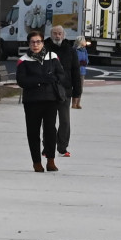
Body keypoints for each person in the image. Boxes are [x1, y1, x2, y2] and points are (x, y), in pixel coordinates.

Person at [16, 29, 67, 173]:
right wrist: (41, 80)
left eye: (38, 41)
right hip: (32, 101)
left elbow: (61, 75)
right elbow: (22, 81)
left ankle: (51, 160)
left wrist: (53, 79)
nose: (35, 45)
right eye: (32, 42)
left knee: (50, 130)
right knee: (33, 132)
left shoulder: (52, 57)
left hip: (50, 100)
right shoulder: (24, 60)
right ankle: (36, 162)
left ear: (42, 42)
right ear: (29, 44)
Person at [45, 25, 77, 156]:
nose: (57, 36)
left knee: (65, 121)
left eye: (59, 33)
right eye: (54, 33)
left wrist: (77, 93)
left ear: (63, 35)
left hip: (65, 90)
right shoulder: (44, 48)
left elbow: (75, 71)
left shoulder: (70, 50)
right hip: (48, 90)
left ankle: (62, 147)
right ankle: (47, 147)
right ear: (51, 34)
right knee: (48, 120)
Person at [73, 36, 89, 108]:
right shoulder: (75, 50)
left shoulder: (85, 50)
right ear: (80, 42)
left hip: (82, 71)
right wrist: (80, 63)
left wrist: (84, 62)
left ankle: (78, 103)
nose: (85, 42)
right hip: (75, 71)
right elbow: (74, 60)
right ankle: (74, 103)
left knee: (80, 88)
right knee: (75, 87)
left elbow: (87, 60)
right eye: (84, 40)